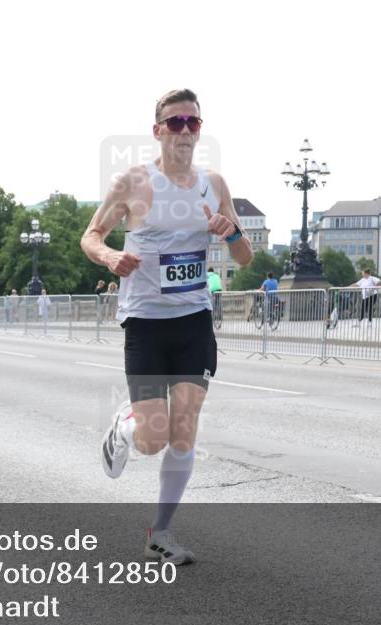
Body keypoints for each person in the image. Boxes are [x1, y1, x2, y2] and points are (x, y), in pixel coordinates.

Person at [80, 88, 252, 565]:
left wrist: (231, 231)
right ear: (158, 131)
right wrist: (111, 254)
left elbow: (244, 255)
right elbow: (90, 235)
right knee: (153, 440)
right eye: (174, 122)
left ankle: (161, 533)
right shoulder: (134, 182)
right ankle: (124, 424)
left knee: (186, 427)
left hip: (194, 318)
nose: (184, 130)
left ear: (200, 130)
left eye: (192, 123)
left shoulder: (214, 185)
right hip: (146, 322)